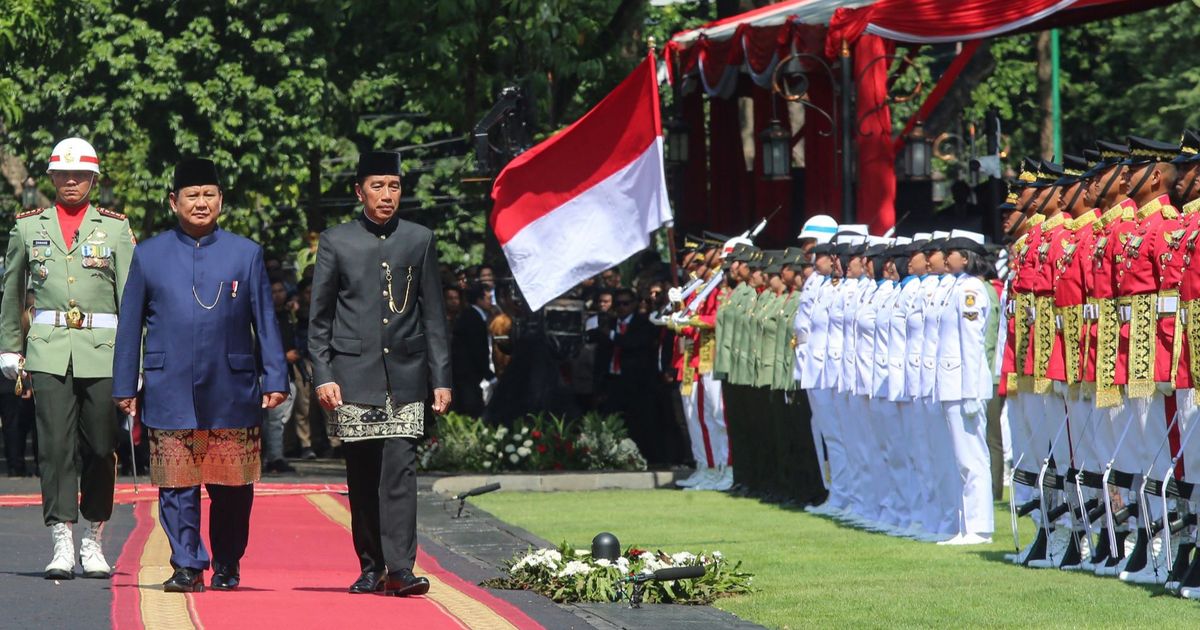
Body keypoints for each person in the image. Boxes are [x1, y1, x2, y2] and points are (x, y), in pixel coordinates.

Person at [113, 157, 289, 592]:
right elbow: (130, 323)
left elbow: (264, 320)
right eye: (192, 195)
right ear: (174, 201)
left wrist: (276, 377)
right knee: (176, 485)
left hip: (232, 386)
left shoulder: (245, 253)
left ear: (221, 201)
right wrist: (124, 385)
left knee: (233, 487)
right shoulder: (149, 254)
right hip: (168, 384)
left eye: (209, 194)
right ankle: (187, 564)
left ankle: (228, 561)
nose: (201, 202)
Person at [309, 150, 452, 597]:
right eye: (377, 186)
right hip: (352, 377)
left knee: (400, 474)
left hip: (407, 375)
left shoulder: (420, 239)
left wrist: (442, 378)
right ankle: (370, 566)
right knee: (363, 476)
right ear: (359, 191)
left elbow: (434, 317)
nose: (386, 195)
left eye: (393, 186)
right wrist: (323, 374)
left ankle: (401, 568)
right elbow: (318, 321)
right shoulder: (336, 241)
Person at [0, 137, 135, 580]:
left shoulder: (115, 228)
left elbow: (132, 300)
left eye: (80, 174)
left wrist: (137, 360)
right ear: (52, 177)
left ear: (94, 179)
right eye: (64, 173)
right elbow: (12, 291)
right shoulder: (27, 227)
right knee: (54, 448)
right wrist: (10, 346)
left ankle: (94, 537)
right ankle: (62, 536)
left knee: (101, 447)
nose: (71, 180)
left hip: (103, 353)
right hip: (48, 349)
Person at [262, 279, 299, 473]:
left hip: (288, 373)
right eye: (273, 290)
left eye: (281, 290)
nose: (278, 294)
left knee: (280, 421)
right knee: (273, 421)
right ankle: (274, 458)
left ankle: (273, 456)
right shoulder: (264, 316)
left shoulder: (288, 315)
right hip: (268, 374)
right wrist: (285, 356)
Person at [451, 283, 494, 417]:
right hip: (467, 373)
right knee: (471, 409)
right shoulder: (472, 318)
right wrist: (489, 375)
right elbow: (477, 349)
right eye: (488, 298)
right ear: (479, 299)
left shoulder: (472, 316)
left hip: (469, 373)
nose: (491, 302)